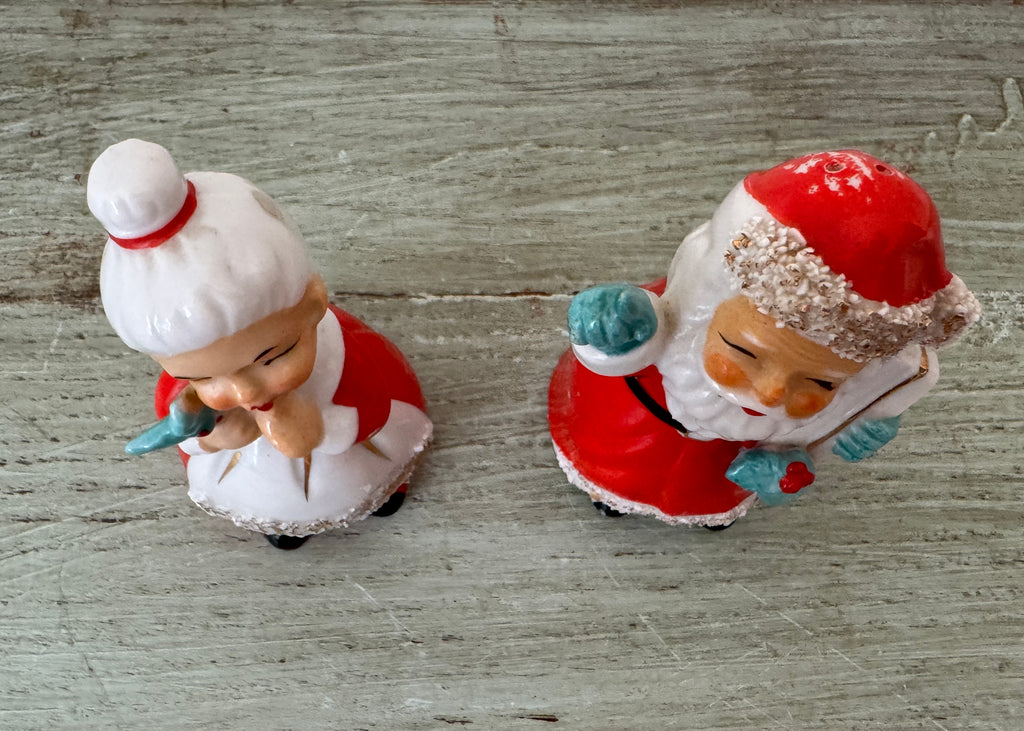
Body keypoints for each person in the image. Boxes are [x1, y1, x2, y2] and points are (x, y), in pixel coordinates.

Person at [548, 150, 981, 528]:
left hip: (716, 469)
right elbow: (615, 348)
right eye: (745, 352)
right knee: (612, 466)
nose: (772, 393)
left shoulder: (798, 408)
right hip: (632, 429)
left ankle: (705, 512)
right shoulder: (677, 324)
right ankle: (610, 495)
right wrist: (610, 327)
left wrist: (825, 446)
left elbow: (804, 449)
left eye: (820, 382)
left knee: (705, 493)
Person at [88, 139, 432, 549]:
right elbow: (179, 421)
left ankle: (384, 490)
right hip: (250, 468)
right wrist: (212, 436)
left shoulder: (345, 354)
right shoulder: (190, 394)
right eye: (204, 377)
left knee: (376, 459)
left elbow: (375, 404)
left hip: (347, 446)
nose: (245, 391)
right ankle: (280, 522)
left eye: (272, 358)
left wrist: (320, 427)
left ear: (313, 305)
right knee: (257, 489)